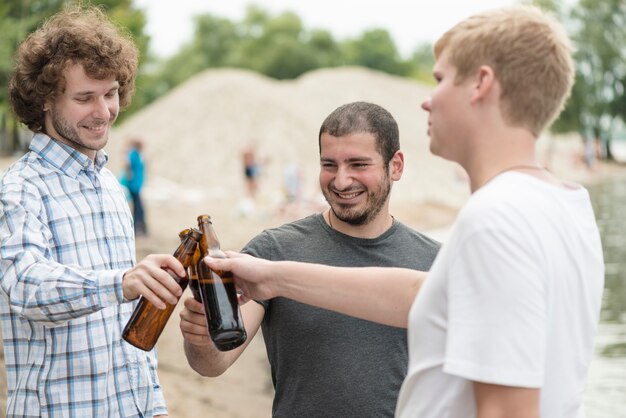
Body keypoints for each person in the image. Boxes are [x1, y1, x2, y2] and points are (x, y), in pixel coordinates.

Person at [202, 6, 605, 418]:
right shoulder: (568, 205)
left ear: (481, 84)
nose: (428, 101)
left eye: (441, 79)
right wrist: (271, 275)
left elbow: (506, 410)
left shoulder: (495, 218)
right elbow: (421, 296)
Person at [180, 101, 440, 417]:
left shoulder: (435, 263)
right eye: (329, 164)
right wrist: (200, 338)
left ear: (395, 165)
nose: (341, 181)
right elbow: (214, 362)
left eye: (358, 164)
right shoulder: (272, 251)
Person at [0, 6, 187, 417]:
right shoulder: (19, 189)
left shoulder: (109, 186)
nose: (104, 112)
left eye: (111, 93)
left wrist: (152, 407)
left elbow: (126, 331)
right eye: (85, 97)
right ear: (45, 101)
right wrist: (121, 281)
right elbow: (26, 287)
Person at [122, 137, 148, 236]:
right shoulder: (133, 153)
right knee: (138, 207)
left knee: (139, 207)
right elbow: (127, 164)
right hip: (133, 184)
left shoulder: (137, 153)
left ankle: (141, 228)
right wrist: (129, 174)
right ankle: (138, 229)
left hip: (137, 183)